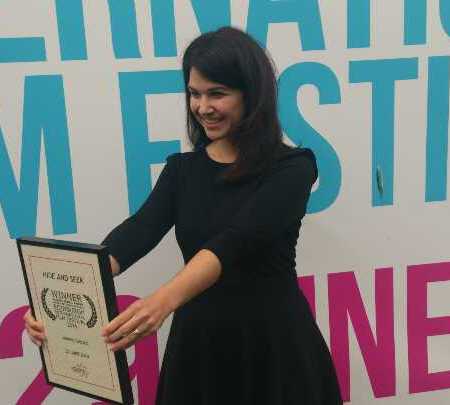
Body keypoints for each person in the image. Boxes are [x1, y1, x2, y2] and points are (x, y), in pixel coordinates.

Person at [24, 26, 342, 404]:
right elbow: (135, 233)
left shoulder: (293, 168)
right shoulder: (182, 171)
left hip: (274, 346)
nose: (203, 107)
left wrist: (161, 302)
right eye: (194, 93)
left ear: (252, 94)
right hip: (199, 348)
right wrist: (60, 300)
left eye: (217, 93)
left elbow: (235, 241)